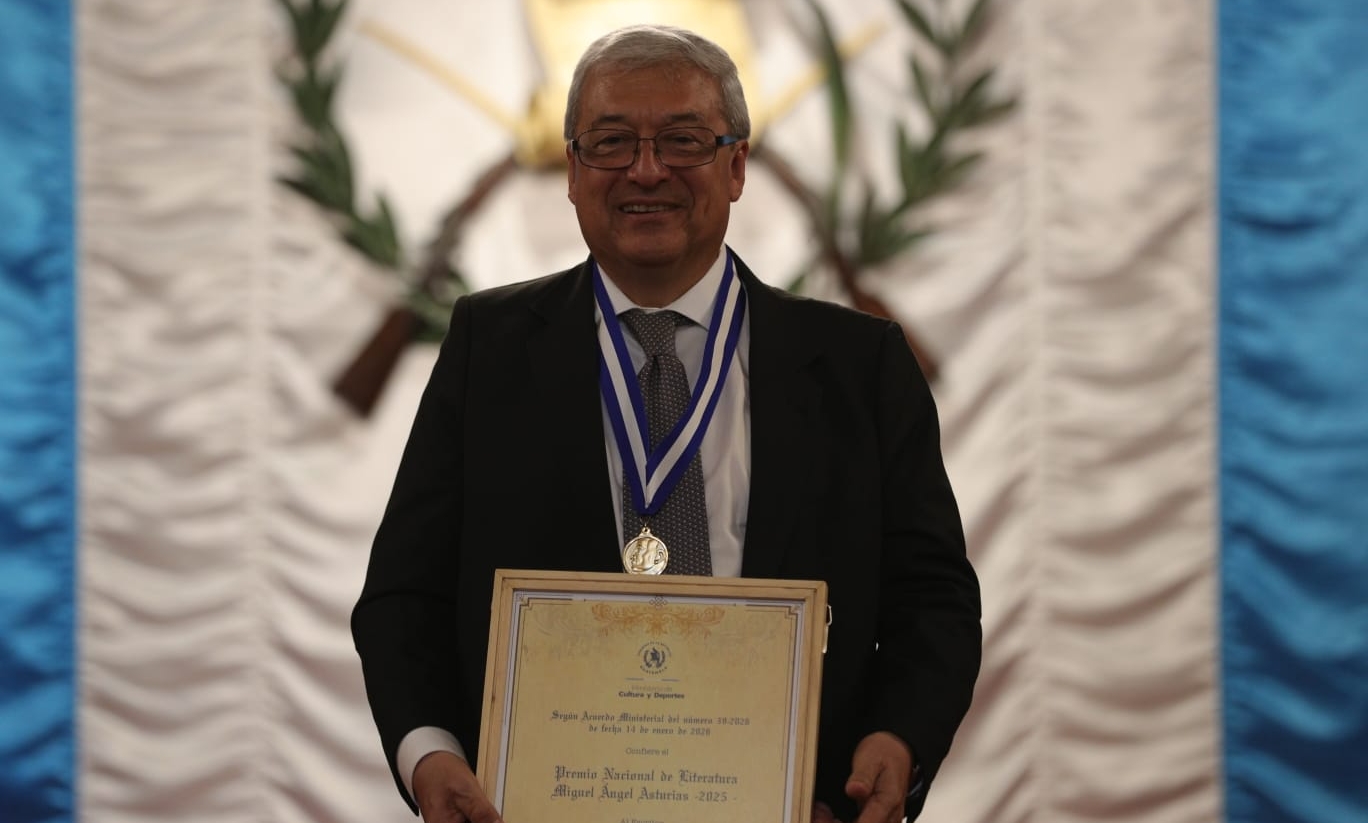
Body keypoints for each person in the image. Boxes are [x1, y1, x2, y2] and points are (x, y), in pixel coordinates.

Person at [352, 23, 981, 823]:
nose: (646, 170)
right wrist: (430, 753)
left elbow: (933, 601)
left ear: (737, 165)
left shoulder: (862, 363)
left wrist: (896, 739)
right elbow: (403, 597)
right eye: (611, 141)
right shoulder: (489, 349)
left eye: (682, 139)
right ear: (572, 171)